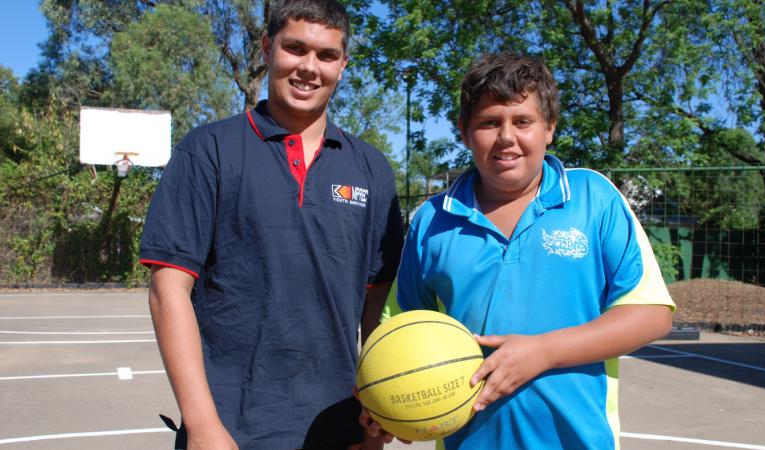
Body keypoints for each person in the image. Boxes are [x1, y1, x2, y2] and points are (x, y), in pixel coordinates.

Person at [365, 53, 674, 449]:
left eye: (522, 121)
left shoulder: (594, 199)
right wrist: (384, 400)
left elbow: (651, 314)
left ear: (550, 128)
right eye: (489, 122)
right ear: (464, 131)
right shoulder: (432, 219)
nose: (506, 137)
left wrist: (543, 351)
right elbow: (397, 333)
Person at [139, 1, 403, 449]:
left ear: (343, 64)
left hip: (339, 429)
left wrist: (377, 411)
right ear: (267, 48)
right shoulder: (209, 150)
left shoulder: (372, 169)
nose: (309, 67)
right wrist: (202, 426)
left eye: (325, 55)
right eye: (295, 48)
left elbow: (375, 309)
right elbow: (168, 290)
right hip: (230, 429)